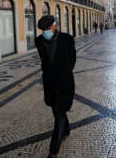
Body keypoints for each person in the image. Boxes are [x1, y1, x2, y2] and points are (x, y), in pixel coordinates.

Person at [35, 15, 76, 157]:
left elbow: (72, 60)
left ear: (55, 25)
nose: (46, 31)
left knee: (59, 114)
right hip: (49, 83)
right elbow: (44, 61)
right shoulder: (39, 41)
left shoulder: (67, 39)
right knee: (57, 109)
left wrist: (63, 72)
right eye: (43, 29)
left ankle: (53, 150)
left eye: (48, 28)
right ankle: (66, 130)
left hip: (64, 82)